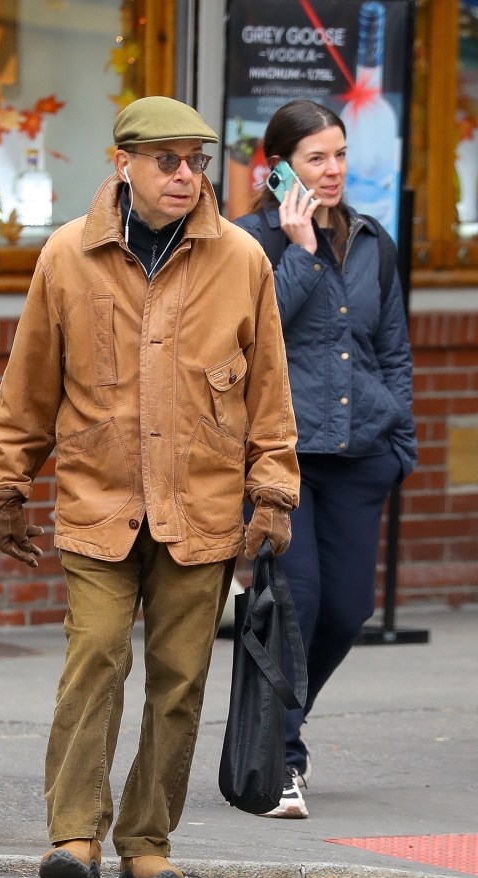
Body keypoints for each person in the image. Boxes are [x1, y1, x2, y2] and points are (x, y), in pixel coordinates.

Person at [0, 96, 300, 878]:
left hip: (202, 505)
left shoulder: (241, 261)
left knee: (181, 677)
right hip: (101, 500)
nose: (185, 175)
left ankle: (146, 839)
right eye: (167, 160)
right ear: (122, 164)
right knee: (93, 658)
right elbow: (28, 388)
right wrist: (5, 490)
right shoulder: (66, 257)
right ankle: (73, 833)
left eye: (195, 160)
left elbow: (269, 390)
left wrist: (273, 493)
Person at [234, 99, 417, 819]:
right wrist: (301, 249)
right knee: (295, 601)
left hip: (360, 452)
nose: (333, 169)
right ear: (278, 169)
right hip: (283, 455)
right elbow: (251, 337)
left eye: (339, 154)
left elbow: (392, 348)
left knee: (347, 608)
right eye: (315, 158)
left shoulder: (374, 241)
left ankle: (278, 719)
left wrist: (398, 437)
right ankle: (281, 759)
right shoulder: (247, 242)